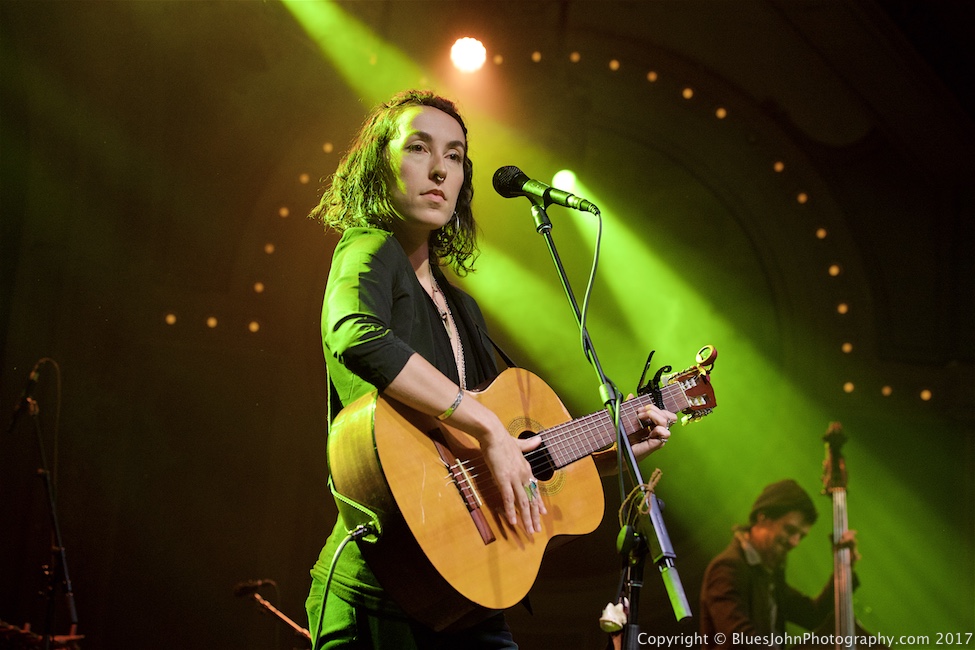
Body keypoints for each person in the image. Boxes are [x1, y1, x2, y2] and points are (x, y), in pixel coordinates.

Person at [304, 89, 678, 650]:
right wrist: (483, 423)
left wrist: (608, 451)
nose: (438, 170)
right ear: (380, 165)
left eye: (454, 156)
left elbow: (505, 454)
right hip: (380, 592)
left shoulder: (463, 308)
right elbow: (354, 333)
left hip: (471, 594)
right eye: (418, 148)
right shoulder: (369, 248)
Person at [699, 479, 859, 649]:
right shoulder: (728, 568)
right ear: (763, 517)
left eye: (801, 536)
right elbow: (739, 640)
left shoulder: (768, 573)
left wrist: (844, 569)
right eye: (790, 530)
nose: (795, 542)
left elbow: (813, 616)